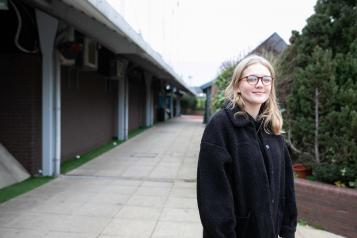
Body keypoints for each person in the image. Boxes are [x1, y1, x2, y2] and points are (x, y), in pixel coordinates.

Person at [197, 54, 297, 238]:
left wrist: (288, 231)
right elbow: (214, 196)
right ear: (237, 85)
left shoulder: (272, 128)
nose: (260, 84)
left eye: (266, 79)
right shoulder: (221, 126)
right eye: (252, 78)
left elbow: (286, 188)